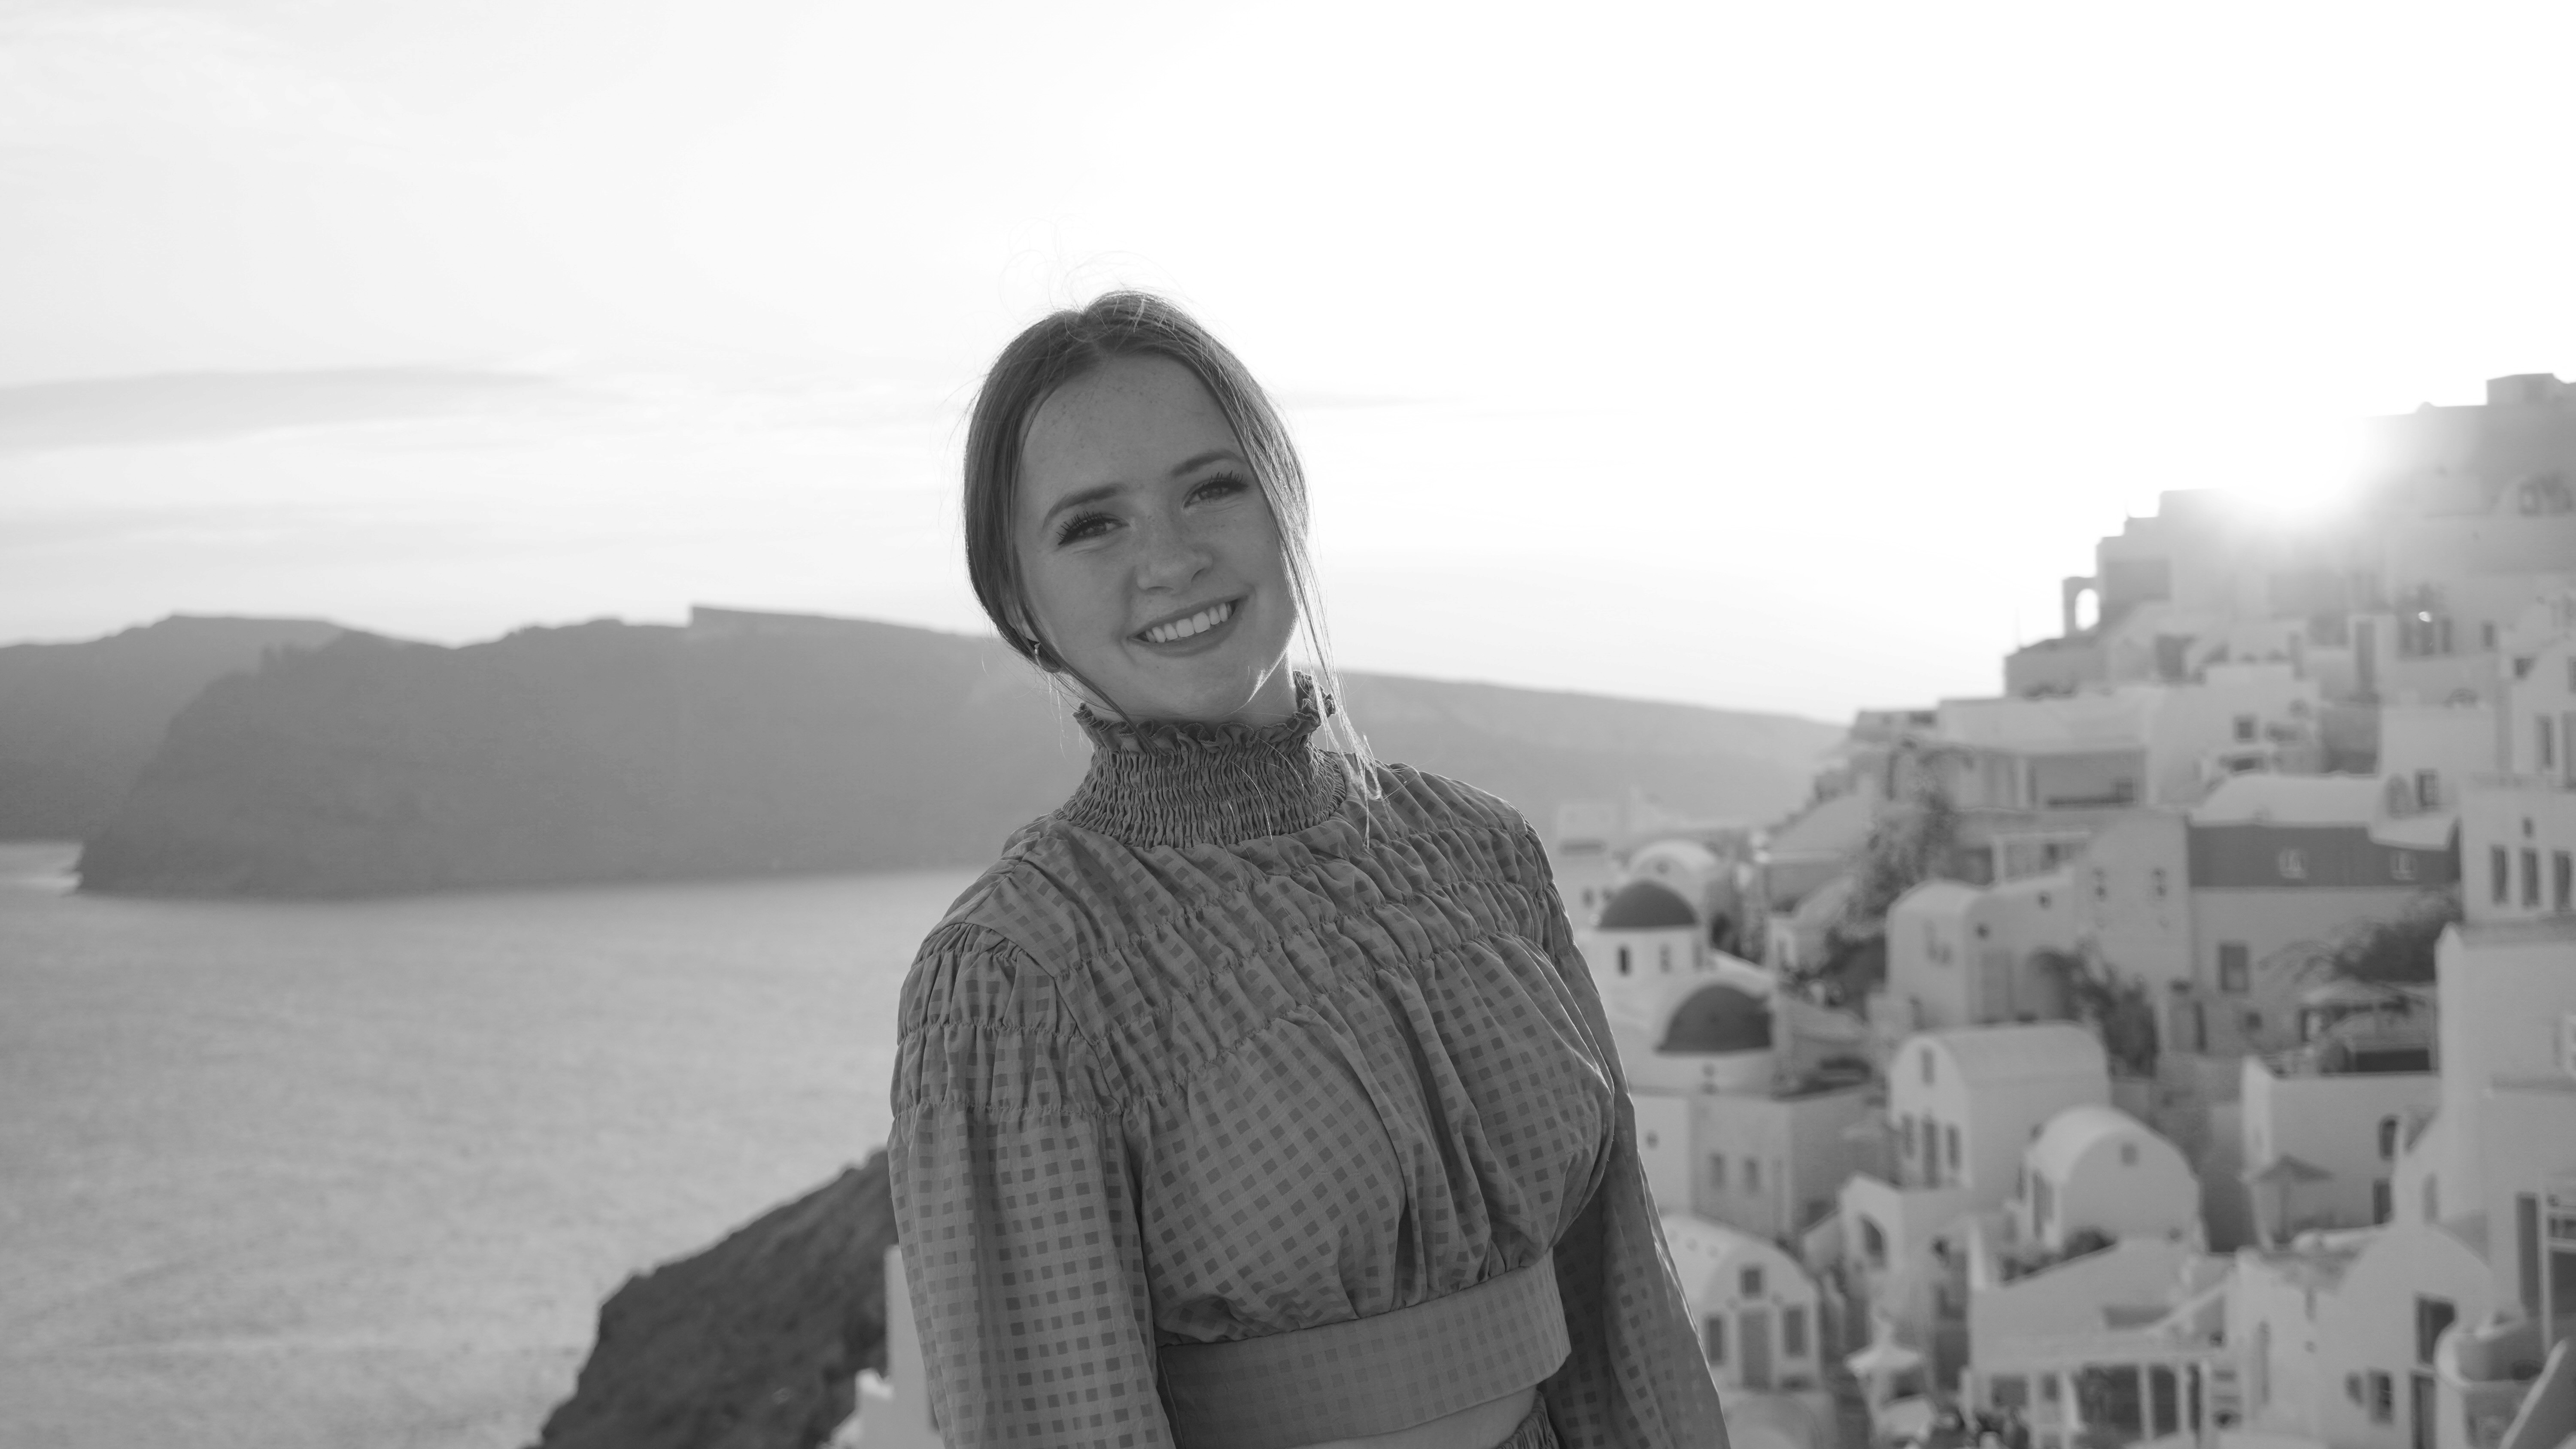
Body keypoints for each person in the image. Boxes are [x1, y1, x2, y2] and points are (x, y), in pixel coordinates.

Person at [888, 291, 1724, 1449]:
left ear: (1284, 501)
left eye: (1212, 488)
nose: (1172, 559)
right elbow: (1061, 1423)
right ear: (1018, 601)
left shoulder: (1484, 855)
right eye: (1093, 525)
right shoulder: (1018, 976)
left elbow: (1622, 1306)